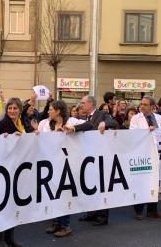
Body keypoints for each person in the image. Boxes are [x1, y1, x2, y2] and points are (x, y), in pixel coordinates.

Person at [64, 95, 117, 226]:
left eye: (82, 103)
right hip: (87, 156)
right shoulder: (83, 118)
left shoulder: (102, 114)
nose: (80, 105)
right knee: (90, 184)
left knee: (101, 186)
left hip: (100, 156)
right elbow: (85, 126)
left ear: (90, 104)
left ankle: (102, 216)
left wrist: (104, 123)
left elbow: (113, 122)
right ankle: (92, 212)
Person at [39, 100, 85, 237]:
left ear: (58, 111)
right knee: (55, 194)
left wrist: (72, 129)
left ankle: (65, 225)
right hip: (53, 163)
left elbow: (89, 125)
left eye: (51, 109)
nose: (48, 112)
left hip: (68, 164)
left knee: (65, 194)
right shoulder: (48, 124)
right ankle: (57, 222)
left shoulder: (71, 121)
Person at [0, 98, 26, 247]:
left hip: (17, 168)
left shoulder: (22, 124)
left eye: (15, 108)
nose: (12, 111)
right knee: (2, 203)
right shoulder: (1, 125)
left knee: (13, 204)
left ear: (20, 109)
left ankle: (10, 236)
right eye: (10, 108)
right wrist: (6, 139)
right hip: (3, 169)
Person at [130, 95, 161, 220]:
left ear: (152, 107)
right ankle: (138, 210)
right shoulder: (136, 119)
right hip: (142, 154)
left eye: (145, 104)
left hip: (156, 154)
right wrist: (148, 130)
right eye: (141, 104)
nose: (142, 106)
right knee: (141, 181)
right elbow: (133, 134)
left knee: (154, 182)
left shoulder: (159, 118)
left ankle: (152, 210)